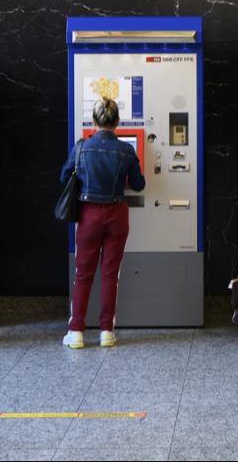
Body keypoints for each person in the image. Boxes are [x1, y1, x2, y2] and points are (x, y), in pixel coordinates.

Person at [60, 98, 145, 349]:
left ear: (94, 121)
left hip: (88, 214)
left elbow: (63, 176)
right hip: (117, 213)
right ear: (117, 121)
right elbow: (139, 184)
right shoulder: (127, 151)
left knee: (83, 274)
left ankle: (76, 332)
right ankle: (106, 331)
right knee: (110, 275)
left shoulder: (81, 148)